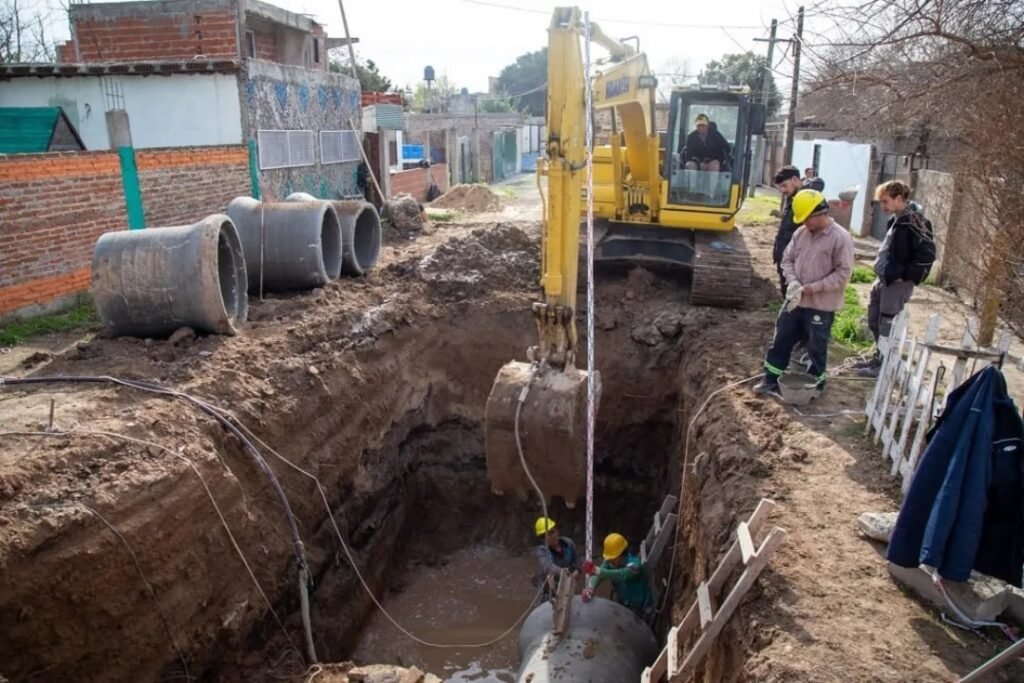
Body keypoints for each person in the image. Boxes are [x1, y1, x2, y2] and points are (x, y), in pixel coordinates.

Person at [754, 189, 855, 396]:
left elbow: (843, 273)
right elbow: (787, 259)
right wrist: (792, 281)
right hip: (795, 301)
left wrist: (811, 288)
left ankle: (814, 385)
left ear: (821, 213)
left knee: (816, 346)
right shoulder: (801, 233)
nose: (804, 223)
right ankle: (771, 378)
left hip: (820, 305)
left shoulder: (840, 238)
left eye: (807, 218)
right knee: (781, 338)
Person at [855, 181, 936, 377]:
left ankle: (883, 365)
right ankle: (878, 357)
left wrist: (905, 275)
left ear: (899, 199)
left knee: (887, 324)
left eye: (885, 201)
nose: (882, 206)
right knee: (874, 319)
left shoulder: (915, 222)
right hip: (884, 279)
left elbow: (927, 256)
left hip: (896, 283)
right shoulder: (897, 220)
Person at [581, 532, 653, 622]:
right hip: (624, 605)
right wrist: (590, 588)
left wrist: (596, 570)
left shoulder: (635, 565)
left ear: (619, 555)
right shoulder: (610, 563)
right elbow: (597, 576)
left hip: (641, 608)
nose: (609, 560)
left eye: (611, 558)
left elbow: (620, 575)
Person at [772, 166, 804, 297]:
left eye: (784, 185)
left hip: (796, 260)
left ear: (795, 180)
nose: (782, 190)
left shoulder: (806, 201)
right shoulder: (792, 198)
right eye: (780, 187)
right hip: (785, 257)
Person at [533, 517, 580, 600]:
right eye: (546, 535)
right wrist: (565, 573)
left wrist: (577, 571)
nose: (550, 537)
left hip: (569, 586)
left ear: (557, 531)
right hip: (549, 592)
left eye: (552, 532)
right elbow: (547, 567)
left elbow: (577, 562)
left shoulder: (568, 543)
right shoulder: (542, 551)